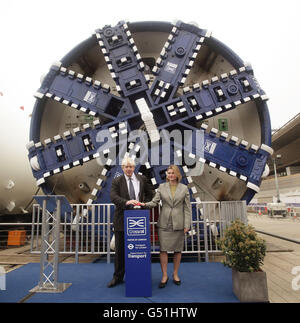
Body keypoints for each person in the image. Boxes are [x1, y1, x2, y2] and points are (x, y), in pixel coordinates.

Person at [141, 165, 191, 288]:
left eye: (172, 173)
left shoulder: (184, 188)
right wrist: (142, 204)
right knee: (163, 250)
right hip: (164, 223)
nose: (170, 175)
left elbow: (187, 208)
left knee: (178, 250)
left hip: (179, 223)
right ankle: (164, 275)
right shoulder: (161, 187)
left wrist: (187, 224)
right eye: (168, 173)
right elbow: (154, 202)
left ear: (177, 174)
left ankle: (175, 274)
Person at [107, 157, 154, 288]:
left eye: (131, 167)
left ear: (134, 167)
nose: (129, 169)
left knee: (138, 249)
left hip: (139, 219)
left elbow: (151, 193)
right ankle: (118, 277)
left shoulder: (142, 179)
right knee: (120, 251)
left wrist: (145, 204)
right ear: (122, 168)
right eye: (126, 167)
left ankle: (138, 275)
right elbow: (113, 196)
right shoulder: (117, 181)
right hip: (121, 219)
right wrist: (126, 202)